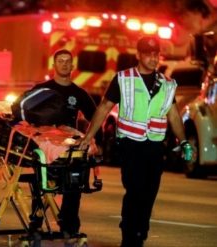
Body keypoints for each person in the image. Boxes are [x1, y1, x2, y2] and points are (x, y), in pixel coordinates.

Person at [78, 36, 193, 247]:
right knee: (135, 190)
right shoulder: (124, 79)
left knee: (149, 192)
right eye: (148, 54)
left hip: (155, 147)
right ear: (138, 55)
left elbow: (174, 115)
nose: (153, 58)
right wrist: (89, 136)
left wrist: (184, 141)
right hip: (131, 145)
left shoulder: (166, 84)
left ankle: (141, 232)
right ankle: (130, 236)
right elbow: (104, 108)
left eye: (156, 54)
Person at [28, 49, 97, 236]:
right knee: (42, 185)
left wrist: (88, 136)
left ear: (72, 66)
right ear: (54, 65)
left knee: (73, 186)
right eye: (61, 61)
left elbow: (96, 116)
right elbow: (26, 112)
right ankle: (36, 221)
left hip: (69, 147)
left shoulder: (79, 93)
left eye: (68, 61)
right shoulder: (42, 89)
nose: (65, 64)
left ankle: (69, 226)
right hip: (45, 145)